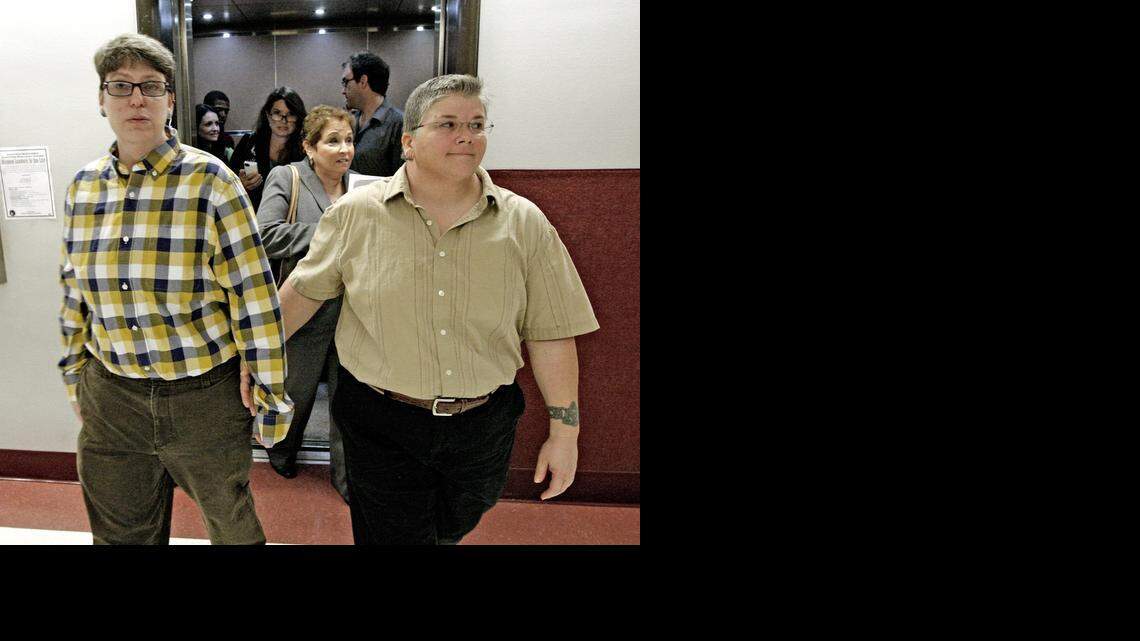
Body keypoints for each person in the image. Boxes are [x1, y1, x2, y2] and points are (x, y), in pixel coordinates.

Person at [273, 74, 599, 544]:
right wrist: (251, 358)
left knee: (450, 530)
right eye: (448, 124)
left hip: (483, 425)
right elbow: (303, 293)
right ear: (408, 142)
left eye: (477, 124)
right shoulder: (355, 214)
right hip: (381, 420)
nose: (466, 136)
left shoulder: (524, 223)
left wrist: (565, 432)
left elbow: (551, 332)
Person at [59, 33, 293, 545]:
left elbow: (254, 298)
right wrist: (75, 376)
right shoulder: (84, 186)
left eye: (150, 86)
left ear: (169, 99)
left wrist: (271, 395)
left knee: (232, 529)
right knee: (120, 535)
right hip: (112, 398)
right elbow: (75, 292)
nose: (136, 99)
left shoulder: (212, 181)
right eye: (120, 86)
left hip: (202, 397)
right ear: (101, 99)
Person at [255, 105, 354, 500]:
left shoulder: (361, 187)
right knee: (297, 394)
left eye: (349, 140)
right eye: (333, 141)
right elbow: (265, 234)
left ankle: (346, 480)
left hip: (353, 313)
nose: (344, 149)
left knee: (348, 404)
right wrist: (330, 232)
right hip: (303, 310)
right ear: (310, 147)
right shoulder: (288, 177)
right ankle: (282, 455)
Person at [229, 87, 307, 210]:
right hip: (252, 213)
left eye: (291, 114)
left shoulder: (306, 149)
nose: (283, 120)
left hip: (289, 215)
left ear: (298, 118)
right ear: (267, 115)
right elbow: (227, 180)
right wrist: (240, 184)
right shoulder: (249, 142)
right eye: (277, 113)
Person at [340, 51, 403, 177]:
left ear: (363, 81)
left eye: (346, 82)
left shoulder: (398, 123)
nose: (343, 90)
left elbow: (401, 179)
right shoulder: (350, 120)